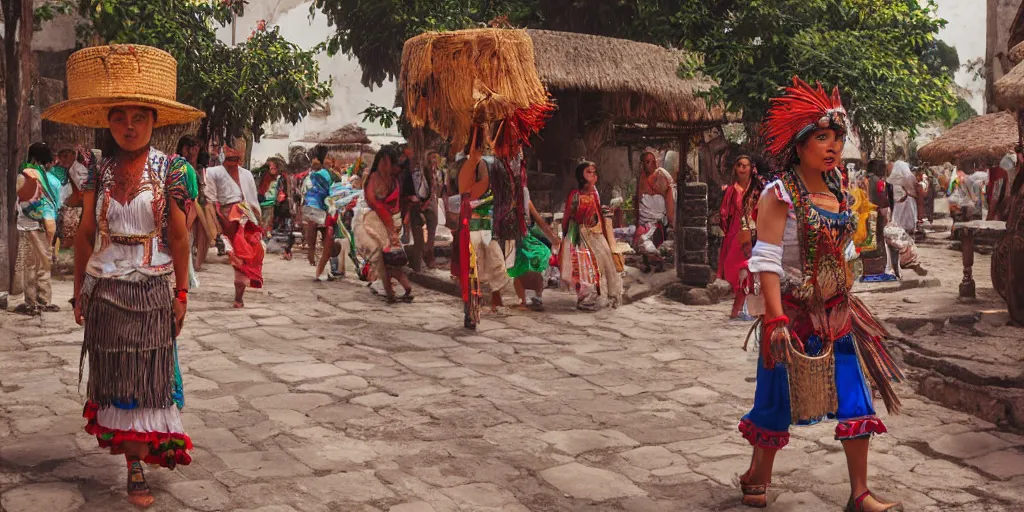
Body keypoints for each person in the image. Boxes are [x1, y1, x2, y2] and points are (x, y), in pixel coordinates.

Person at [41, 43, 203, 508]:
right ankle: (133, 464)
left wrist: (182, 294)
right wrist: (78, 295)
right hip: (107, 290)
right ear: (107, 122)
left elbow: (178, 240)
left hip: (154, 288)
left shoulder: (172, 170)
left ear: (154, 121)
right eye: (119, 117)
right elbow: (87, 234)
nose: (129, 126)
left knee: (149, 379)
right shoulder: (96, 169)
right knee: (115, 378)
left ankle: (143, 457)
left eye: (139, 117)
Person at [739, 77, 903, 511]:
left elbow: (847, 249)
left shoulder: (840, 193)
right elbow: (767, 259)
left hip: (838, 315)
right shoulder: (778, 195)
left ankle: (860, 493)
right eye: (822, 137)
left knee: (856, 396)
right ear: (800, 144)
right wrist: (774, 318)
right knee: (775, 400)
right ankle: (758, 474)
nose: (832, 146)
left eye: (837, 138)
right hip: (791, 315)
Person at [456, 127, 514, 327]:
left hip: (486, 228)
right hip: (471, 229)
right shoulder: (467, 170)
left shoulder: (492, 169)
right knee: (474, 270)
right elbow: (468, 197)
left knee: (497, 264)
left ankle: (494, 300)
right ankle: (472, 312)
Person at [560, 161, 623, 311]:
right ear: (581, 176)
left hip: (595, 233)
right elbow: (568, 216)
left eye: (594, 172)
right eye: (589, 172)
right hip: (580, 234)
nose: (593, 175)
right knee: (584, 266)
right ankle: (585, 299)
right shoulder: (575, 195)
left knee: (603, 263)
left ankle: (606, 296)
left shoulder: (594, 193)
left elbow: (598, 214)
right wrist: (565, 237)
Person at [206, 146, 264, 308]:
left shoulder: (246, 174)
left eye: (236, 157)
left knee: (247, 258)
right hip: (228, 222)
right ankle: (238, 297)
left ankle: (239, 295)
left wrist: (259, 222)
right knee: (237, 258)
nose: (233, 160)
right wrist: (215, 227)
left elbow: (253, 201)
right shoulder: (213, 173)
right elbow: (210, 201)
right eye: (230, 156)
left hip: (248, 221)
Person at [355, 145, 414, 302]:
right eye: (384, 162)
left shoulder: (394, 181)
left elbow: (395, 205)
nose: (386, 166)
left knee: (390, 260)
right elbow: (374, 203)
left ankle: (397, 290)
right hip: (375, 223)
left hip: (391, 223)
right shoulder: (373, 178)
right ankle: (393, 291)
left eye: (389, 163)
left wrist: (393, 224)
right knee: (384, 259)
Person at [12, 142, 62, 315]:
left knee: (29, 264)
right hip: (48, 224)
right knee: (44, 263)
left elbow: (21, 200)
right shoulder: (53, 180)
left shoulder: (25, 174)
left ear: (32, 156)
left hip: (29, 224)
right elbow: (58, 204)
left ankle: (31, 303)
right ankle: (44, 300)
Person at [509, 183, 560, 311]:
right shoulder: (504, 202)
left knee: (533, 267)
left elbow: (540, 222)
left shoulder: (526, 203)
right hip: (513, 241)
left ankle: (535, 297)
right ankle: (523, 300)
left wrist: (554, 239)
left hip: (527, 239)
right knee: (519, 271)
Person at [719, 155, 756, 320]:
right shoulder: (731, 190)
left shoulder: (756, 189)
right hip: (736, 232)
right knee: (736, 269)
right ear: (735, 168)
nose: (742, 168)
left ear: (751, 168)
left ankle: (745, 309)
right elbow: (724, 212)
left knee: (751, 269)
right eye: (740, 165)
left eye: (746, 165)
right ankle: (738, 309)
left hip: (755, 231)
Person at [633, 150, 675, 272]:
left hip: (657, 220)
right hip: (644, 220)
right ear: (642, 164)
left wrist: (670, 219)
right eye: (647, 162)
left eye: (653, 161)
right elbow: (639, 200)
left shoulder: (661, 175)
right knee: (641, 241)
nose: (651, 164)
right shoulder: (641, 178)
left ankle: (657, 263)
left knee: (654, 242)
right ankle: (648, 262)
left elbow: (669, 197)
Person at [403, 149, 440, 271]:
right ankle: (418, 264)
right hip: (416, 207)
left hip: (430, 206)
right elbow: (406, 192)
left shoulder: (434, 174)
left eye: (435, 158)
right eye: (431, 159)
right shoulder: (412, 175)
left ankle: (428, 258)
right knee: (418, 238)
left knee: (431, 236)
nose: (433, 161)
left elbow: (434, 191)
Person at [257, 156, 287, 238]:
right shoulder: (264, 176)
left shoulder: (279, 178)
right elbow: (260, 188)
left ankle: (264, 234)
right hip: (261, 201)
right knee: (262, 220)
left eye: (273, 167)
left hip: (270, 202)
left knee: (268, 220)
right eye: (270, 167)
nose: (271, 168)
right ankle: (262, 234)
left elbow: (280, 190)